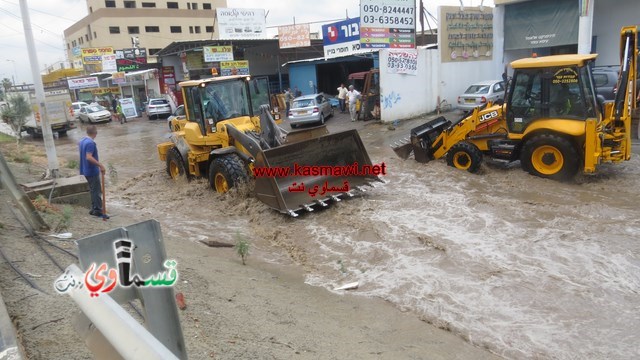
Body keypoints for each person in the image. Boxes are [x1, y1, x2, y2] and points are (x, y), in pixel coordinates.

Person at [78, 125, 108, 219]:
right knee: (96, 191)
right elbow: (89, 157)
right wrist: (101, 165)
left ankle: (93, 208)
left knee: (92, 190)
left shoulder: (82, 141)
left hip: (85, 170)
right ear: (95, 133)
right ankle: (98, 210)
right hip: (91, 171)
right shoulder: (91, 143)